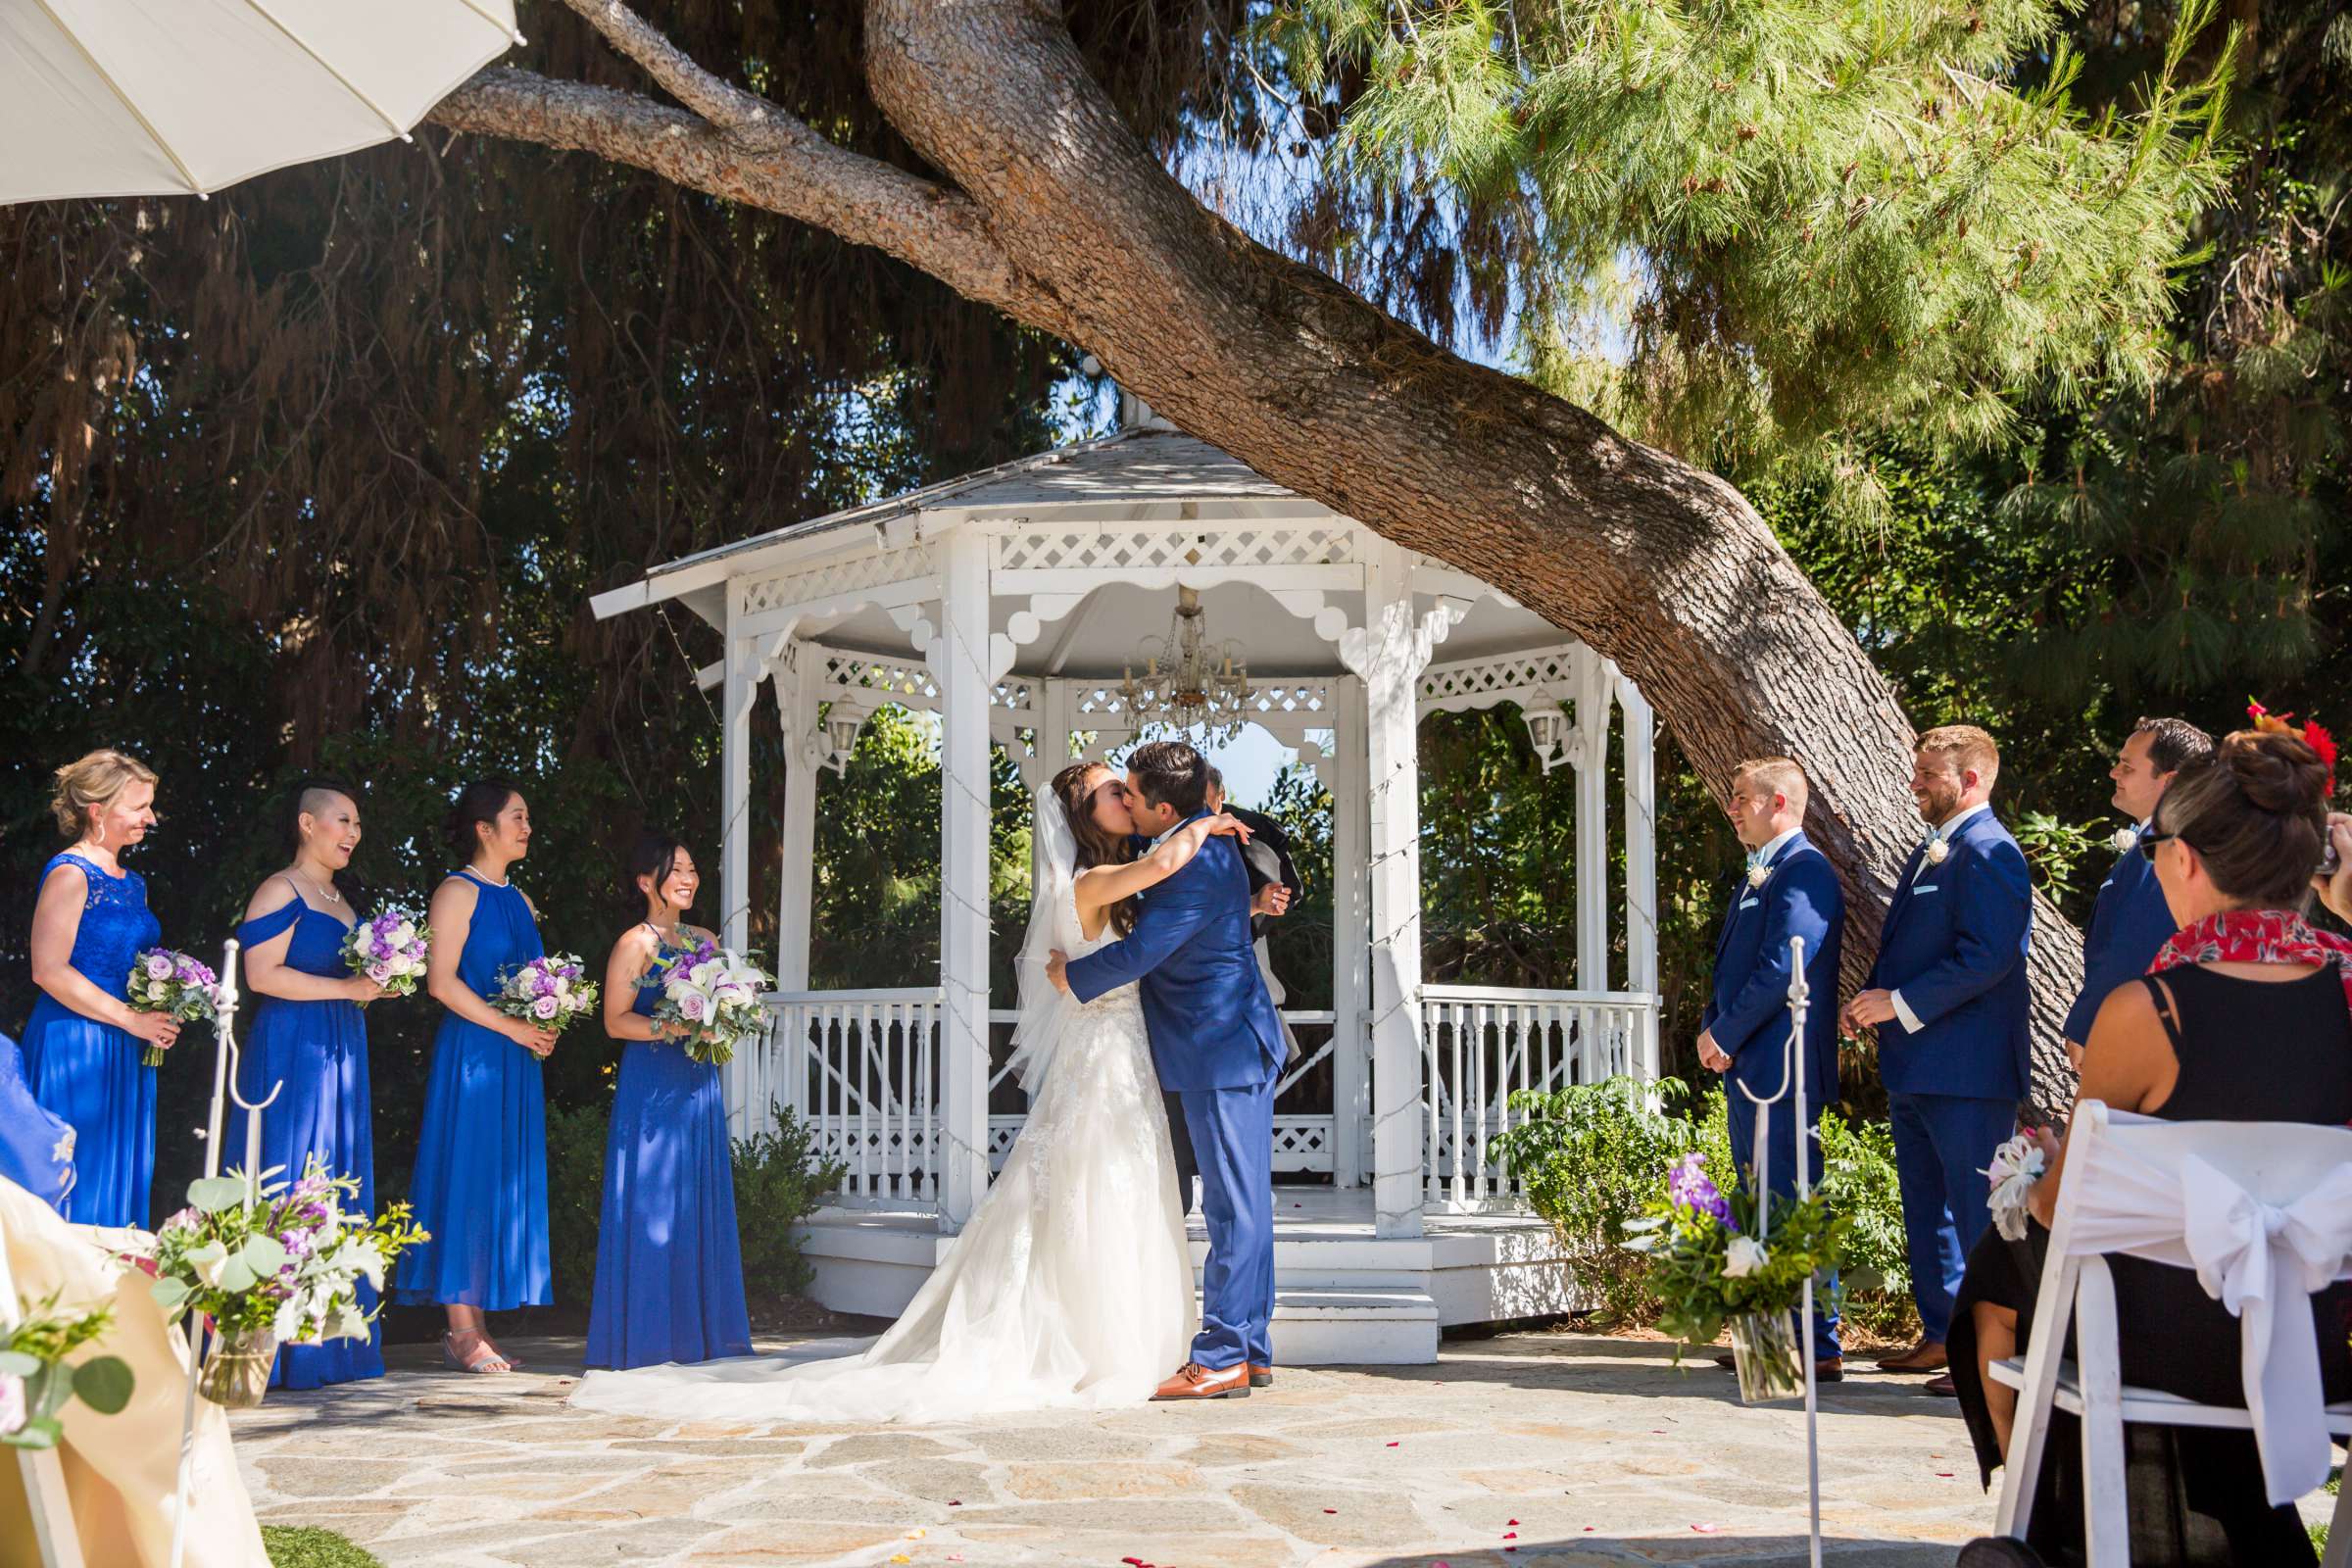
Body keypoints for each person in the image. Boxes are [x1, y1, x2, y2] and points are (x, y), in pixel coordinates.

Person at [568, 760, 1249, 1420]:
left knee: (1111, 1185)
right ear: (1081, 813)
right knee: (1092, 1190)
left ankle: (1128, 1334)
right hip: (1103, 1054)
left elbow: (1166, 908)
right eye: (1112, 791)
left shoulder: (1117, 877)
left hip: (1123, 1051)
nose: (1126, 798)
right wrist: (1206, 821)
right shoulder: (1097, 877)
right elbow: (1159, 869)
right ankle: (1100, 1343)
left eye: (1128, 790)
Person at [1950, 726, 2352, 1567]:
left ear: (2187, 864)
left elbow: (2067, 1207)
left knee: (1998, 1269)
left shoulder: (2146, 1011)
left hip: (2169, 1343)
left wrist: (2042, 1171)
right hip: (2322, 1334)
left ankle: (2044, 1532)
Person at [1055, 739, 1290, 1400]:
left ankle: (1220, 1355)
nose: (1124, 800)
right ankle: (1251, 1347)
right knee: (1242, 1205)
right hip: (1215, 1046)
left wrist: (1067, 977)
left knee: (1232, 1208)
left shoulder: (1190, 858)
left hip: (1219, 1051)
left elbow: (1141, 954)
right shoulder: (1186, 845)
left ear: (1160, 808)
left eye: (1130, 792)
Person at [1840, 724, 2031, 1380]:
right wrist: (1871, 1000)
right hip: (1918, 1064)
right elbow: (1911, 949)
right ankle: (1942, 1332)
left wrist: (1899, 1002)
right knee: (1927, 1208)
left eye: (1928, 773)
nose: (1914, 783)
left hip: (1970, 1070)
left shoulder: (1991, 851)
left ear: (1970, 779)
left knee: (1977, 1212)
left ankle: (1988, 1353)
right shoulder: (1934, 850)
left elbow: (1988, 956)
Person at [392, 779, 558, 1375]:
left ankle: (479, 1320)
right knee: (467, 1174)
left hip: (516, 1056)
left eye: (528, 816)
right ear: (484, 828)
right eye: (517, 816)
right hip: (476, 1053)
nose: (527, 826)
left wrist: (546, 1015)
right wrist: (510, 1028)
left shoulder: (520, 899)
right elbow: (440, 983)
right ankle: (460, 1329)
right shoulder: (456, 892)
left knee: (499, 1179)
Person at [1696, 758, 1846, 1379]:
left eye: (1741, 799)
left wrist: (1725, 1033)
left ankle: (1818, 1342)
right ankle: (1766, 1338)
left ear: (1778, 803)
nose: (1732, 808)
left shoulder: (1804, 871)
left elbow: (1788, 967)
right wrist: (1713, 1025)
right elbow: (1733, 967)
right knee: (1759, 1200)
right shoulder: (1761, 872)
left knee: (1791, 1197)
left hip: (1784, 1063)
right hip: (1750, 1062)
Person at [235, 779, 387, 1389]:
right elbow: (261, 975)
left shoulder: (343, 902)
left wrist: (377, 983)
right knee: (290, 1174)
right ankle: (270, 1350)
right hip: (292, 1047)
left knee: (333, 1175)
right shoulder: (281, 888)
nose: (352, 833)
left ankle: (328, 1344)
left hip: (340, 1045)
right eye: (342, 821)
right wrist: (349, 989)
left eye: (356, 825)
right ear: (307, 823)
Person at [584, 833, 753, 1371]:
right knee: (653, 1208)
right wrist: (675, 1024)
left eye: (692, 868)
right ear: (645, 882)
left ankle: (702, 1338)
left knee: (696, 1203)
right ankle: (650, 1341)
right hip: (653, 1086)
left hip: (697, 1086)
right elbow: (615, 1020)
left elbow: (726, 1003)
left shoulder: (705, 938)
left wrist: (725, 1014)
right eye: (675, 869)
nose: (688, 878)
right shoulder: (636, 943)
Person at [24, 749, 176, 1229]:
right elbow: (48, 970)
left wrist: (163, 1003)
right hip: (74, 1044)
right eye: (138, 807)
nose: (149, 818)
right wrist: (132, 1018)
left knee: (118, 1176)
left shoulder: (135, 885)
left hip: (126, 1048)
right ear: (98, 810)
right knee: (70, 1177)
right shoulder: (71, 873)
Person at [1154, 765, 1298, 1215]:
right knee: (1172, 1120)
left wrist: (1261, 903)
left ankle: (1238, 1196)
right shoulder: (1159, 845)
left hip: (1236, 1000)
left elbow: (1272, 898)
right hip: (1172, 1004)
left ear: (1221, 798)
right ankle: (1180, 1201)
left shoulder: (1245, 839)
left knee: (1234, 1132)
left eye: (1209, 802)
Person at [2061, 718, 2213, 1069]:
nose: (2114, 773)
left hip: (2137, 1040)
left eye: (2127, 766)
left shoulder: (2166, 845)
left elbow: (2135, 942)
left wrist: (2088, 1026)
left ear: (2170, 781)